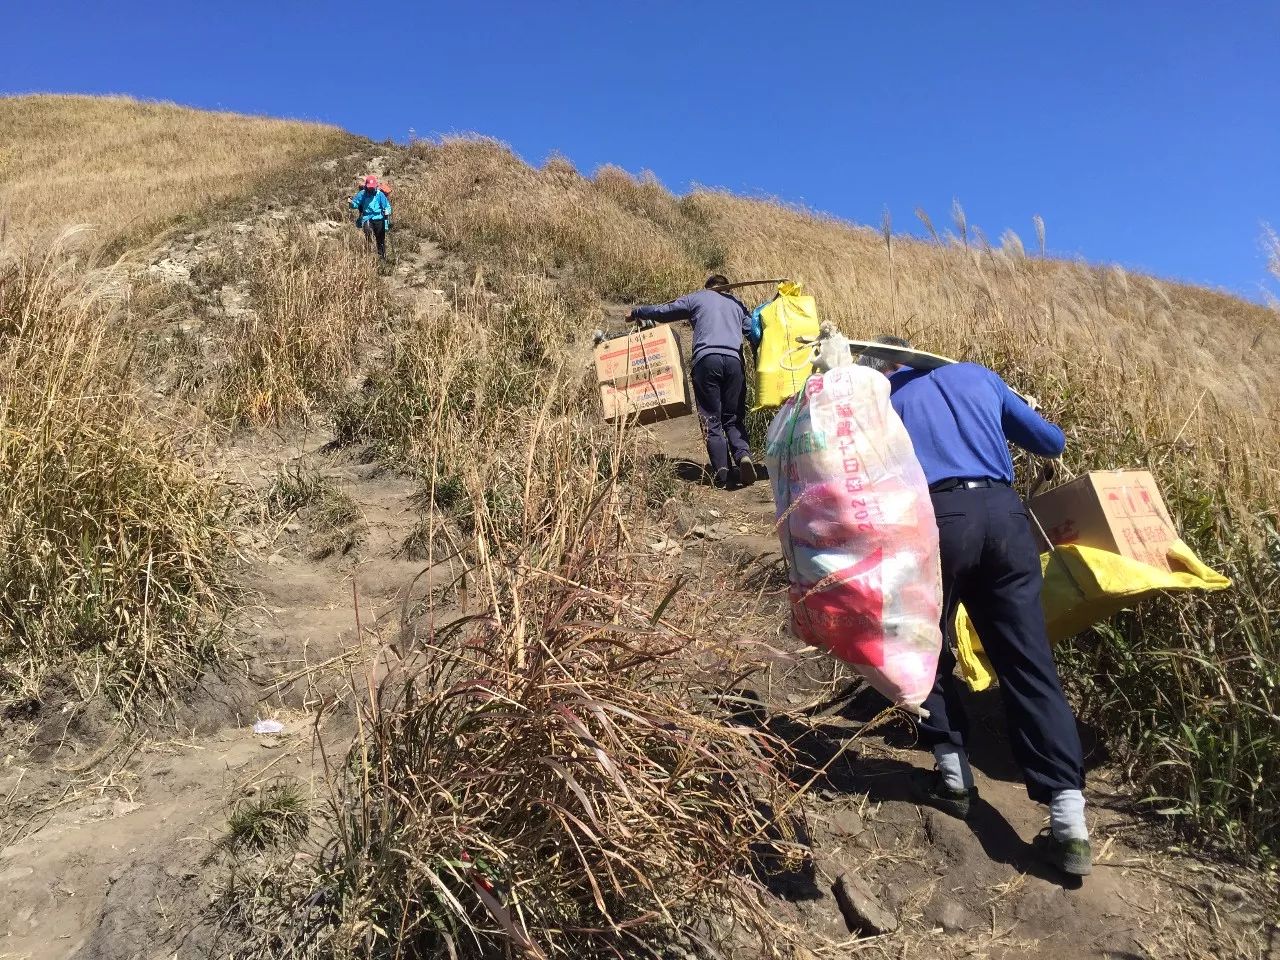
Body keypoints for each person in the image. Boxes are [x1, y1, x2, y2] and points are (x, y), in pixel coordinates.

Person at [859, 337, 1092, 878]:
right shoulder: (979, 377)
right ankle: (1069, 820)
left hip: (938, 520)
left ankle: (952, 776)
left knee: (927, 641)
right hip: (1006, 519)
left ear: (885, 367)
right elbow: (1051, 443)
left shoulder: (886, 400)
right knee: (1027, 660)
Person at [629, 275, 757, 488]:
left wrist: (638, 312)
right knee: (733, 417)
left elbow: (664, 311)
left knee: (711, 418)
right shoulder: (737, 304)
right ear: (726, 288)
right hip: (734, 363)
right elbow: (754, 332)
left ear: (708, 288)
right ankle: (743, 455)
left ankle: (723, 472)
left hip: (706, 361)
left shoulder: (698, 298)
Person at [350, 175, 391, 259]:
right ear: (366, 186)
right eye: (370, 187)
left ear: (376, 185)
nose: (371, 189)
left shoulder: (380, 194)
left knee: (380, 239)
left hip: (379, 218)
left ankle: (382, 258)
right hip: (367, 217)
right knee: (368, 232)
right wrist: (351, 203)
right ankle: (370, 254)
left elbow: (387, 206)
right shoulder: (362, 194)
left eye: (373, 187)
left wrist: (387, 211)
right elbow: (355, 204)